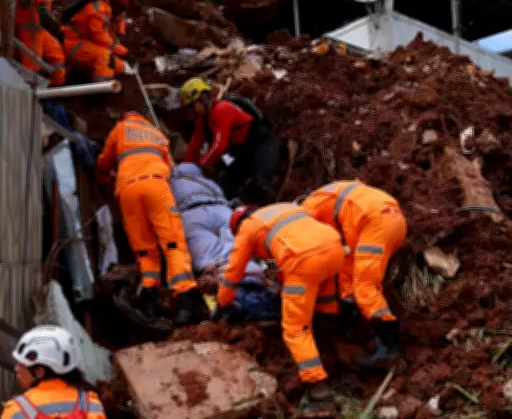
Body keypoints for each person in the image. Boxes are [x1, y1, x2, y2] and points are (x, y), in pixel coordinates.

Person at [216, 203, 345, 417]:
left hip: (303, 261)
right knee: (323, 309)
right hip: (334, 248)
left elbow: (233, 273)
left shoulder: (248, 228)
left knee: (295, 329)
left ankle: (321, 395)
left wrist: (222, 303)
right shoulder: (282, 209)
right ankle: (332, 358)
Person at [96, 111, 208, 326]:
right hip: (157, 186)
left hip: (128, 189)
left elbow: (104, 160)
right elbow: (170, 168)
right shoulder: (157, 134)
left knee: (145, 249)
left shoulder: (120, 129)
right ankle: (183, 301)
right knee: (173, 242)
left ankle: (148, 301)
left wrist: (101, 177)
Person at [301, 180, 407, 369]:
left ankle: (389, 350)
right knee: (358, 283)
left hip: (376, 222)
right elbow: (345, 260)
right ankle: (365, 329)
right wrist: (347, 297)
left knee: (365, 287)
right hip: (392, 220)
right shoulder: (329, 202)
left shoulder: (307, 216)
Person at [170, 163, 274, 322]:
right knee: (237, 249)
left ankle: (224, 285)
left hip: (191, 216)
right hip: (222, 211)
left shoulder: (170, 185)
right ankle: (252, 277)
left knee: (209, 256)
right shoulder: (208, 182)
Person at [179, 78, 277, 205]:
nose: (190, 112)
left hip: (260, 143)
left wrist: (202, 165)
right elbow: (194, 145)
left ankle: (275, 208)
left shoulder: (222, 110)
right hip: (241, 151)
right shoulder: (202, 121)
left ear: (202, 99)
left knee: (261, 181)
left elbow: (219, 146)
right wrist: (185, 171)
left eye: (191, 107)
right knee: (225, 185)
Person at [1, 325, 106, 418]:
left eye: (21, 364)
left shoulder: (16, 411)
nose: (16, 368)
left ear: (39, 371)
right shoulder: (92, 406)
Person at [61, 0, 128, 83]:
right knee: (105, 56)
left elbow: (120, 18)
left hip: (86, 40)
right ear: (115, 2)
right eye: (121, 8)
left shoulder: (111, 5)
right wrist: (123, 52)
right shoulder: (98, 10)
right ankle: (100, 90)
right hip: (72, 41)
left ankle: (90, 75)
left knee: (117, 63)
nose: (122, 12)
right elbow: (99, 37)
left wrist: (121, 35)